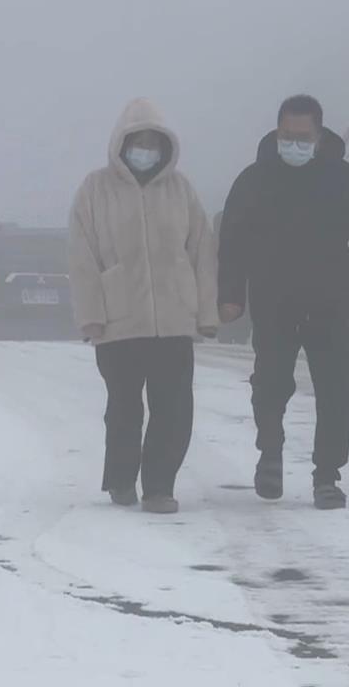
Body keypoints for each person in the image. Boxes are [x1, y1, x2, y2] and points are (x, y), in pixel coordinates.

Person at [217, 95, 349, 510]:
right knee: (270, 385)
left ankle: (327, 476)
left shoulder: (341, 180)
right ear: (277, 132)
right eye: (288, 136)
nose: (295, 144)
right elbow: (231, 244)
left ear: (319, 135)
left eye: (303, 137)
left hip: (329, 304)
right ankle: (270, 454)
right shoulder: (254, 181)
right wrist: (230, 297)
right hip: (273, 303)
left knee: (337, 390)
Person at [69, 98, 218, 515]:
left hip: (173, 321)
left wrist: (206, 314)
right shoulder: (94, 190)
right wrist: (91, 317)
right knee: (124, 408)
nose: (146, 149)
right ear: (122, 144)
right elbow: (82, 258)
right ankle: (120, 479)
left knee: (173, 409)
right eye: (139, 142)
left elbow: (202, 251)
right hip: (118, 323)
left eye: (154, 142)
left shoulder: (180, 189)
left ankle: (159, 487)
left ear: (166, 147)